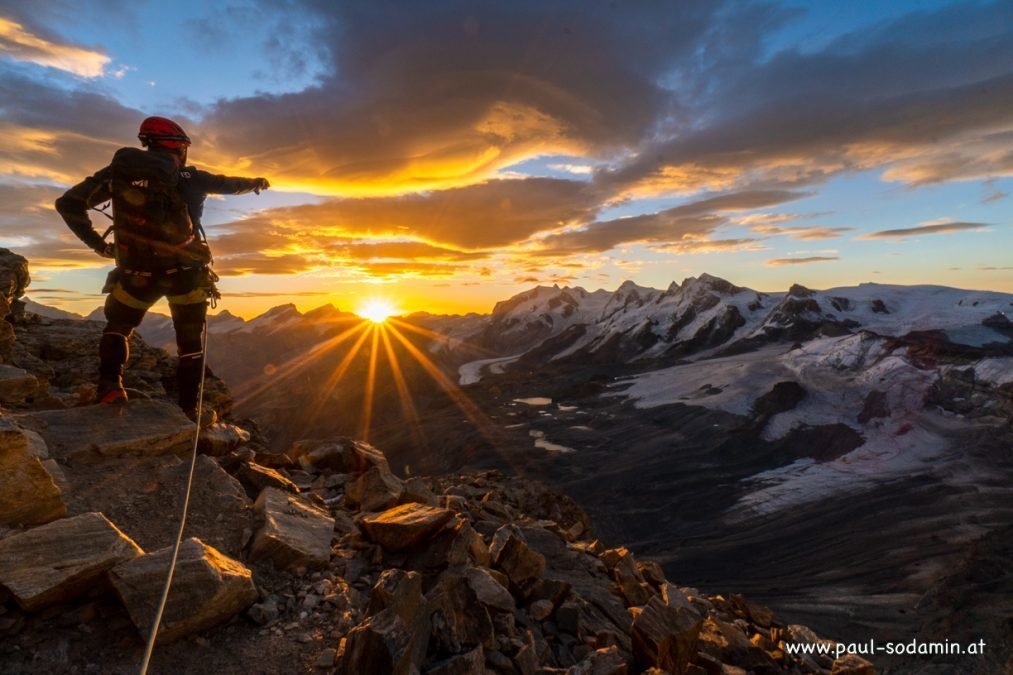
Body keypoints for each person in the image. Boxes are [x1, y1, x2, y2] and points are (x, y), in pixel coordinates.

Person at [55, 116, 269, 425]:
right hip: (186, 273)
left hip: (136, 272)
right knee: (189, 342)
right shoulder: (190, 177)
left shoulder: (119, 174)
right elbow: (230, 184)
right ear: (179, 147)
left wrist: (101, 247)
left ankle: (111, 387)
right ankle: (187, 409)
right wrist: (256, 184)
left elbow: (69, 203)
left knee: (118, 327)